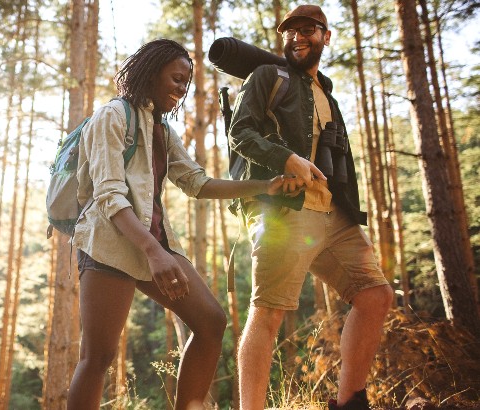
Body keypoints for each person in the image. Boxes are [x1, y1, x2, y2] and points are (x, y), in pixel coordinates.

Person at [68, 39, 287, 410]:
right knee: (98, 357)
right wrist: (154, 252)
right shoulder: (112, 115)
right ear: (151, 73)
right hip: (108, 243)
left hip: (155, 246)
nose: (181, 88)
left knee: (211, 323)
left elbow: (198, 183)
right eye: (175, 78)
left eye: (186, 82)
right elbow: (109, 195)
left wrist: (265, 187)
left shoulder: (162, 131)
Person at [228, 5, 394, 410]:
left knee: (375, 295)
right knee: (269, 313)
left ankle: (350, 402)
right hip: (284, 207)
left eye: (307, 30)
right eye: (290, 33)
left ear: (326, 36)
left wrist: (350, 206)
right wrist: (287, 159)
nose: (297, 38)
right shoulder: (268, 76)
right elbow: (240, 132)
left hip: (332, 210)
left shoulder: (326, 90)